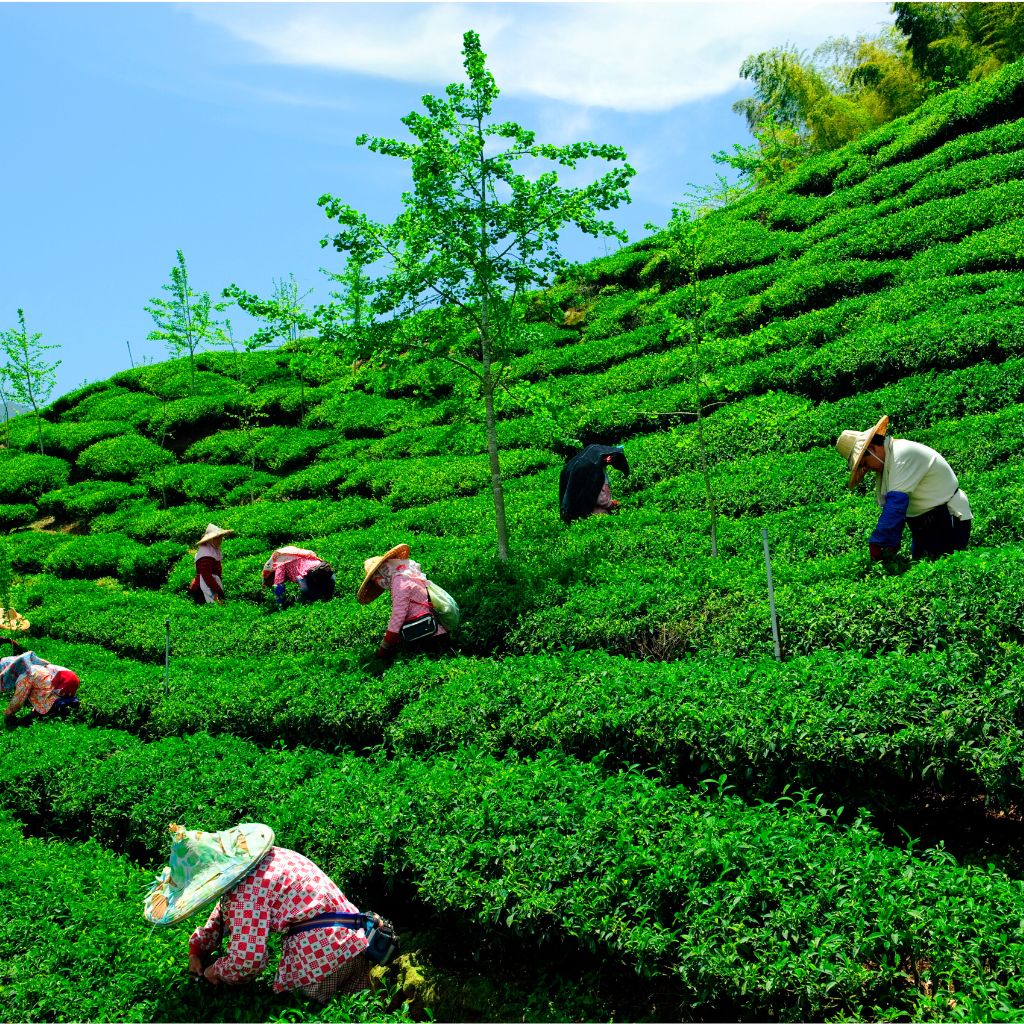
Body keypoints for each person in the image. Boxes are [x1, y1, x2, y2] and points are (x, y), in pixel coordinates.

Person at [144, 822, 374, 1004]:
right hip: (354, 938)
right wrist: (197, 949)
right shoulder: (271, 858)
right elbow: (223, 914)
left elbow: (247, 960)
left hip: (321, 955)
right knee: (363, 1002)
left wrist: (215, 971)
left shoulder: (244, 893)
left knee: (306, 1008)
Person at [836, 414, 972, 561]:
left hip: (945, 518)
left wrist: (879, 542)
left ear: (873, 449)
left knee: (943, 568)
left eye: (864, 463)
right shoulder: (888, 462)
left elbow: (896, 504)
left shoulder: (900, 455)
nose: (868, 468)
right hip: (923, 526)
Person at [357, 543, 451, 660]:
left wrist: (384, 647)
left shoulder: (399, 582)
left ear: (383, 571)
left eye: (376, 577)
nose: (377, 581)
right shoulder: (407, 575)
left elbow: (398, 615)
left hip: (429, 636)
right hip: (435, 631)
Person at [1, 645, 80, 726]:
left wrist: (8, 714)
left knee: (28, 719)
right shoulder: (35, 666)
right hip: (66, 683)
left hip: (60, 689)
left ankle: (57, 707)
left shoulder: (26, 675)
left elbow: (18, 699)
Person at [558, 444, 630, 525]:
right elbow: (602, 500)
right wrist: (614, 504)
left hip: (574, 516)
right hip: (595, 516)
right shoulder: (595, 469)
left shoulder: (588, 457)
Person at [262, 546, 336, 608]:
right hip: (325, 569)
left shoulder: (280, 562)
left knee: (311, 599)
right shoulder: (302, 555)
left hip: (308, 574)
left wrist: (280, 605)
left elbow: (278, 585)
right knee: (327, 598)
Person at [188, 524, 234, 604]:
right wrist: (218, 591)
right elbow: (206, 576)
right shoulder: (206, 555)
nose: (219, 540)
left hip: (210, 586)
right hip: (202, 589)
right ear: (210, 540)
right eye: (216, 538)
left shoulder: (212, 550)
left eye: (220, 537)